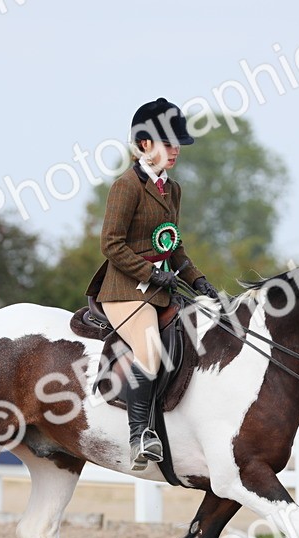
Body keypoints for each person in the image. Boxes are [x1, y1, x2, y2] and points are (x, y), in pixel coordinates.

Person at [85, 97, 217, 470]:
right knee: (150, 350)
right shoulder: (126, 186)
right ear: (144, 144)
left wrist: (198, 280)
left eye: (177, 144)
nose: (175, 151)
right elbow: (111, 244)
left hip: (161, 291)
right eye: (167, 143)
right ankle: (140, 435)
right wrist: (150, 273)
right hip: (124, 291)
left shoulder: (172, 190)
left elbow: (172, 244)